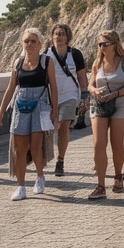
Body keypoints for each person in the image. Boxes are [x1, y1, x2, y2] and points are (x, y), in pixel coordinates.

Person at [0, 28, 58, 200]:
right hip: (21, 105)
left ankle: (39, 176)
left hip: (40, 105)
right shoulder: (18, 63)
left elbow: (54, 87)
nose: (29, 44)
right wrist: (0, 111)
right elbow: (11, 88)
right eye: (26, 41)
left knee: (35, 147)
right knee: (19, 149)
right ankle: (21, 186)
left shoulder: (47, 62)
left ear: (40, 44)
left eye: (33, 41)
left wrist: (55, 110)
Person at [88, 30, 124, 199]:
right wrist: (94, 91)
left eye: (105, 44)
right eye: (100, 44)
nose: (102, 47)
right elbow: (90, 85)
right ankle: (100, 185)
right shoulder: (98, 62)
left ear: (115, 44)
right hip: (100, 105)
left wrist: (115, 94)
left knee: (117, 143)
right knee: (98, 144)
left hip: (120, 104)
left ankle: (118, 175)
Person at [45, 23, 87, 177]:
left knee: (63, 125)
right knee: (48, 129)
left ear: (68, 37)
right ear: (52, 36)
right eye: (56, 34)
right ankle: (44, 157)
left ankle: (60, 160)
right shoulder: (46, 54)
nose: (59, 37)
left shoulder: (75, 54)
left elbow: (82, 76)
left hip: (70, 95)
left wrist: (84, 97)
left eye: (62, 34)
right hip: (50, 96)